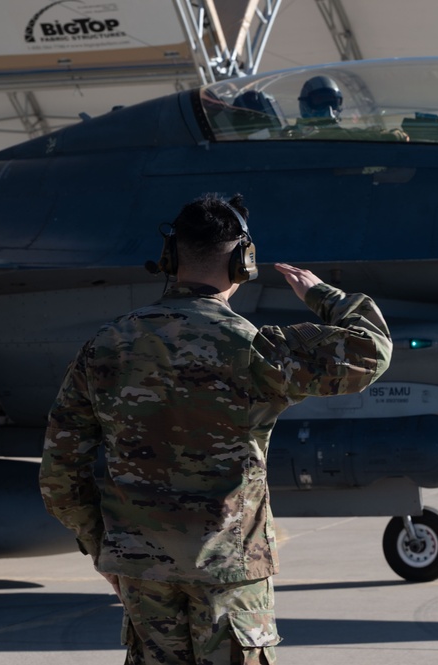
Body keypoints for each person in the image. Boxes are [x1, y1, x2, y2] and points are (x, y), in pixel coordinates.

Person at [39, 192, 393, 664]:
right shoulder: (254, 349)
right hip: (230, 572)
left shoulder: (105, 346)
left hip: (142, 571)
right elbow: (371, 351)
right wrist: (322, 296)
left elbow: (60, 473)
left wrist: (105, 548)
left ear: (170, 259)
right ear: (244, 263)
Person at [284, 75, 407, 142]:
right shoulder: (288, 137)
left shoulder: (348, 136)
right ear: (306, 103)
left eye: (333, 103)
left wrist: (396, 135)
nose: (328, 108)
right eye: (320, 101)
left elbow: (393, 137)